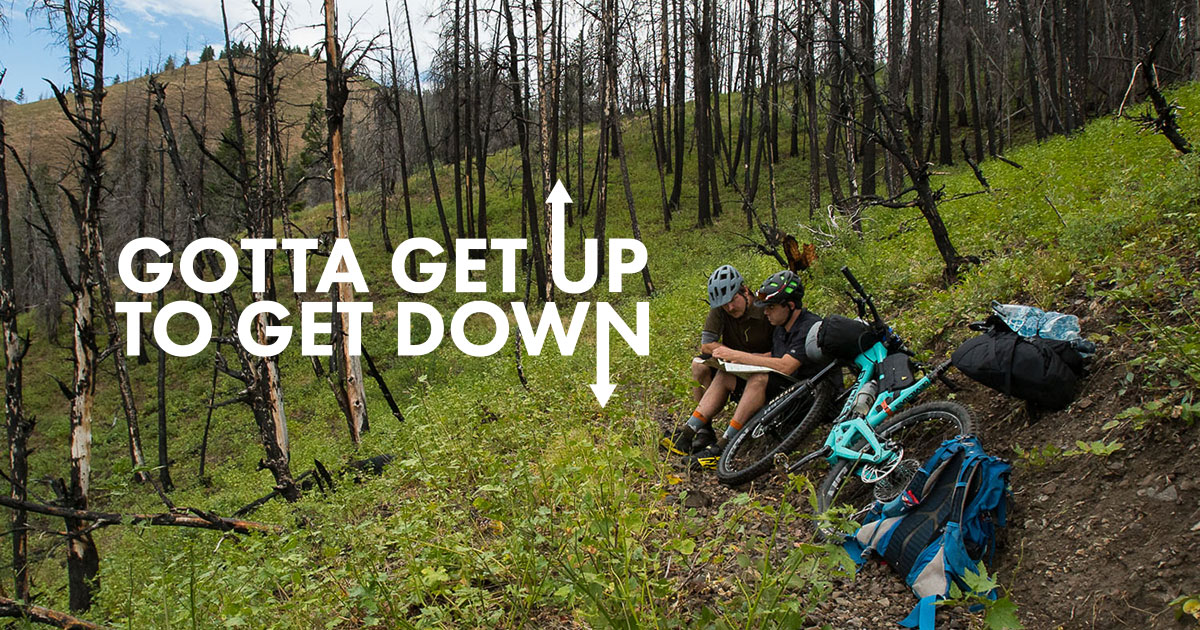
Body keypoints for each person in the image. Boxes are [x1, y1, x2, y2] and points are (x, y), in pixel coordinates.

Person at [663, 270, 825, 470]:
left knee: (758, 378)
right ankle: (689, 433)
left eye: (771, 308)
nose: (767, 312)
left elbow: (784, 364)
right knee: (722, 374)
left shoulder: (804, 325)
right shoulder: (782, 325)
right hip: (776, 379)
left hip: (800, 390)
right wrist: (738, 360)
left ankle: (724, 446)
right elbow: (772, 356)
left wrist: (739, 357)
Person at [665, 265, 774, 457]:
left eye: (733, 300)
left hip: (762, 368)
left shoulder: (765, 310)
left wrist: (740, 357)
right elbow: (706, 345)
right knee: (698, 365)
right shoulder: (721, 309)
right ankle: (702, 429)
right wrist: (730, 354)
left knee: (744, 376)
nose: (730, 308)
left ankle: (725, 443)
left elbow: (779, 355)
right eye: (725, 304)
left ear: (745, 291)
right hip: (734, 365)